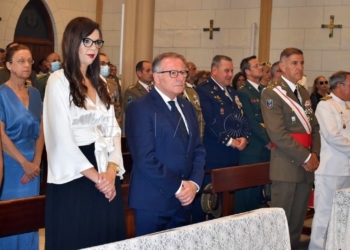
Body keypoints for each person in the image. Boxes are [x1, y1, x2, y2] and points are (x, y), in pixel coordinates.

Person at [43, 17, 126, 249]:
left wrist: (111, 170)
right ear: (72, 41)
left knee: (106, 239)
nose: (93, 48)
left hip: (104, 169)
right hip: (76, 175)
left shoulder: (99, 81)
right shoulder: (57, 81)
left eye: (97, 42)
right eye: (87, 41)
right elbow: (60, 137)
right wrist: (97, 177)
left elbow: (113, 130)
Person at [125, 52, 205, 237]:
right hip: (154, 200)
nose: (180, 78)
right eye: (173, 73)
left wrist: (193, 183)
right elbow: (144, 158)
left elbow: (198, 149)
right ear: (156, 77)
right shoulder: (141, 107)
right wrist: (178, 187)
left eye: (183, 73)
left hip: (185, 199)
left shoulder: (187, 106)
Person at [261, 47, 320, 249]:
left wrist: (315, 154)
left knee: (296, 224)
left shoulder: (303, 92)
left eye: (302, 63)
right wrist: (306, 158)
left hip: (306, 167)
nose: (300, 67)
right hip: (287, 166)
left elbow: (314, 128)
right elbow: (278, 133)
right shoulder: (272, 93)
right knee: (281, 223)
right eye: (294, 63)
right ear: (282, 66)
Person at [193, 55, 250, 223]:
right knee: (207, 203)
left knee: (227, 202)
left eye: (231, 71)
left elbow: (242, 117)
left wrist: (245, 137)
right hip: (214, 154)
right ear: (214, 70)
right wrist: (230, 141)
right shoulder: (204, 90)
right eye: (226, 70)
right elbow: (210, 122)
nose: (230, 74)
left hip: (232, 155)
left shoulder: (232, 92)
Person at [0, 44, 44, 250]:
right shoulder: (1, 94)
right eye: (21, 61)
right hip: (10, 164)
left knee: (28, 218)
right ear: (8, 65)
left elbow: (42, 129)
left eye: (29, 61)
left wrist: (36, 161)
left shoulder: (35, 93)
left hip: (33, 167)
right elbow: (1, 135)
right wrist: (23, 162)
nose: (27, 65)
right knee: (11, 217)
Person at [309, 71, 350, 249]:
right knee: (324, 215)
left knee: (343, 214)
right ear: (339, 86)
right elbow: (332, 136)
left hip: (345, 168)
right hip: (330, 169)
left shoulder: (347, 106)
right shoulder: (326, 106)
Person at [236, 55, 271, 213]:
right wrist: (269, 139)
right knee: (247, 192)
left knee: (260, 191)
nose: (261, 68)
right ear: (247, 72)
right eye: (256, 66)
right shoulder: (243, 92)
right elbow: (250, 121)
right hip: (254, 147)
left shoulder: (265, 91)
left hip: (268, 147)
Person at [99, 53, 123, 126]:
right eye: (102, 63)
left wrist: (117, 122)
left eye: (108, 64)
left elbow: (117, 106)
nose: (106, 66)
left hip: (111, 125)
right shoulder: (87, 84)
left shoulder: (112, 84)